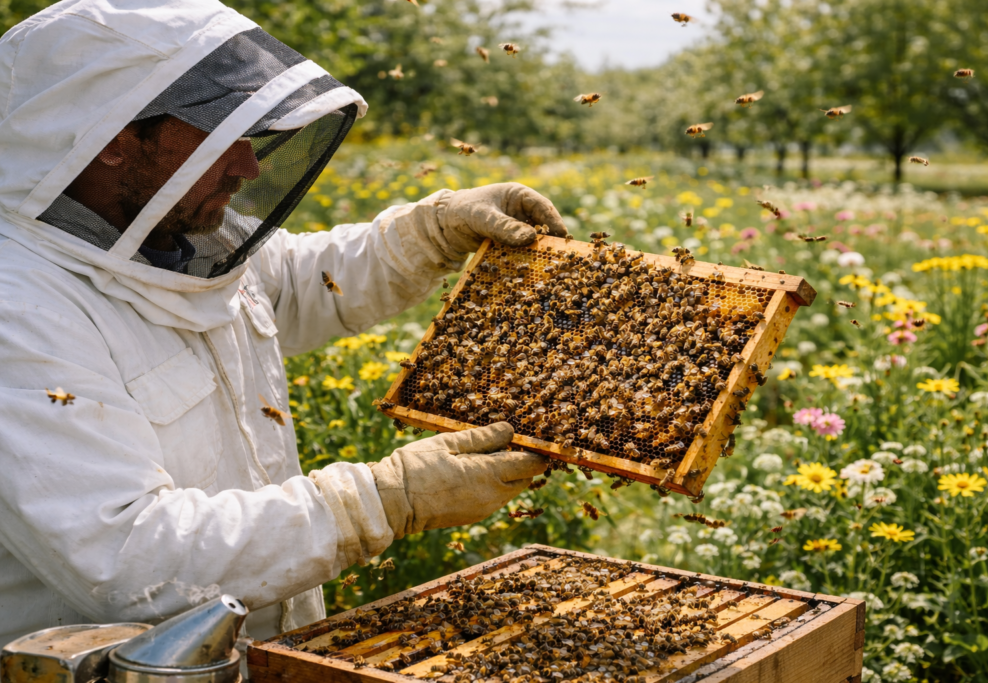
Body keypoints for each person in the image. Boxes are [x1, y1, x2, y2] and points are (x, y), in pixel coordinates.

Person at [0, 0, 567, 641]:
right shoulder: (18, 310)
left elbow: (301, 283)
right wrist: (381, 501)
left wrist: (431, 230)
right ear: (112, 143)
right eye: (218, 135)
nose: (249, 164)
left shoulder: (176, 239)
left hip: (262, 653)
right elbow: (129, 555)